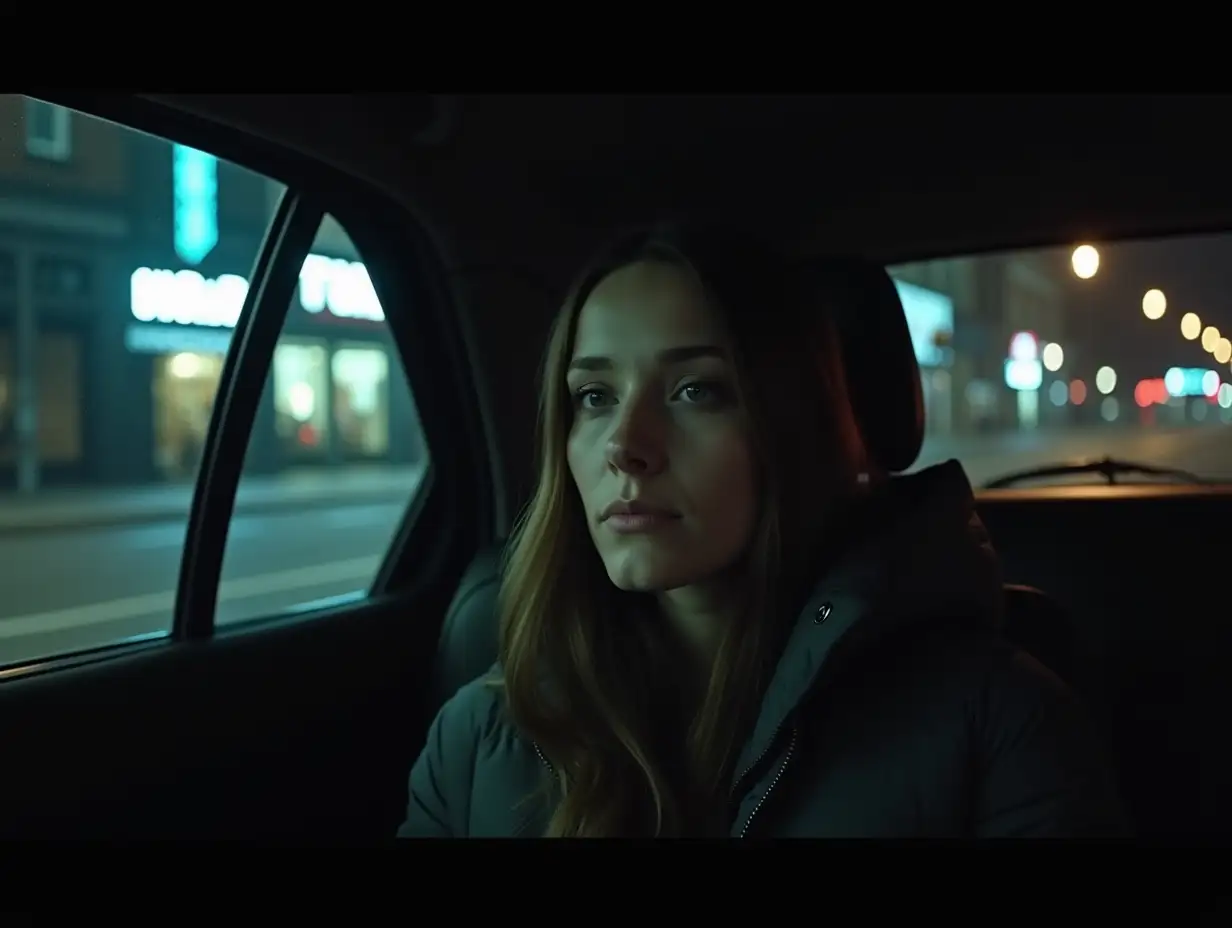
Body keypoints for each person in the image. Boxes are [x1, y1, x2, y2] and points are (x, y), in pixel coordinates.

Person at [398, 222, 1129, 838]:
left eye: (695, 391)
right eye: (594, 395)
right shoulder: (479, 738)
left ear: (796, 424)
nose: (625, 444)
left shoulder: (1000, 722)